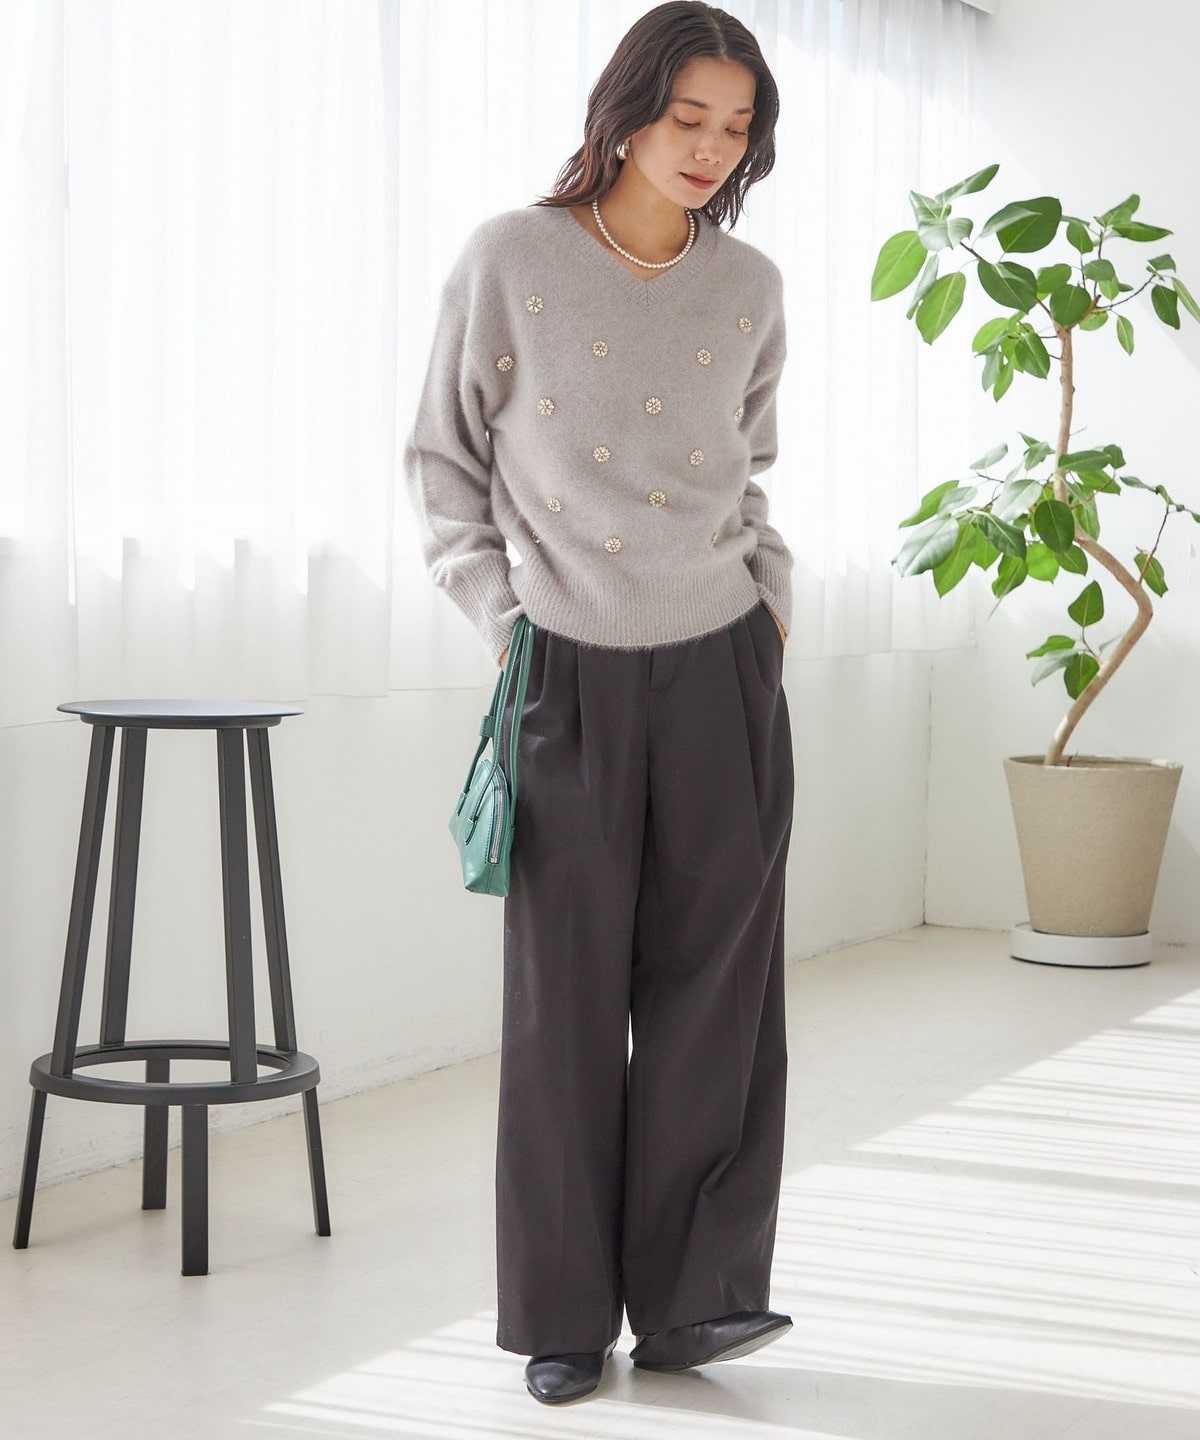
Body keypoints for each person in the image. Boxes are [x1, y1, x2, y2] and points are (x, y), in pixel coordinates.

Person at [404, 0, 794, 1406]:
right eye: (688, 117)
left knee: (717, 1000)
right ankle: (562, 1319)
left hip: (722, 664)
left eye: (735, 127)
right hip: (562, 662)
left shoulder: (749, 284)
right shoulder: (511, 259)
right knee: (561, 1004)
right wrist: (503, 618)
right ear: (626, 112)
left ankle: (695, 1304)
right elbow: (443, 462)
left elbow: (749, 468)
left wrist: (772, 610)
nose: (709, 148)